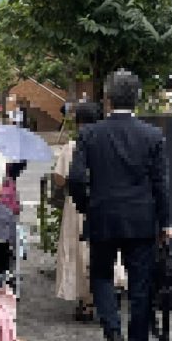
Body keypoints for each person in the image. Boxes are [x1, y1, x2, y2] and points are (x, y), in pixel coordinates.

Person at [69, 69, 172, 341]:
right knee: (140, 287)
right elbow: (160, 184)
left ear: (108, 100)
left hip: (102, 217)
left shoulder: (90, 134)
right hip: (141, 221)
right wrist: (165, 221)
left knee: (100, 276)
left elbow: (75, 178)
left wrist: (87, 205)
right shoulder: (152, 135)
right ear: (136, 98)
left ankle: (113, 331)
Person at [54, 101, 101, 321]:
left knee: (77, 250)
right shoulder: (106, 143)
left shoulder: (72, 146)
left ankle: (86, 301)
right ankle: (101, 295)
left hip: (77, 205)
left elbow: (60, 178)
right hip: (103, 204)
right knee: (100, 249)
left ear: (78, 122)